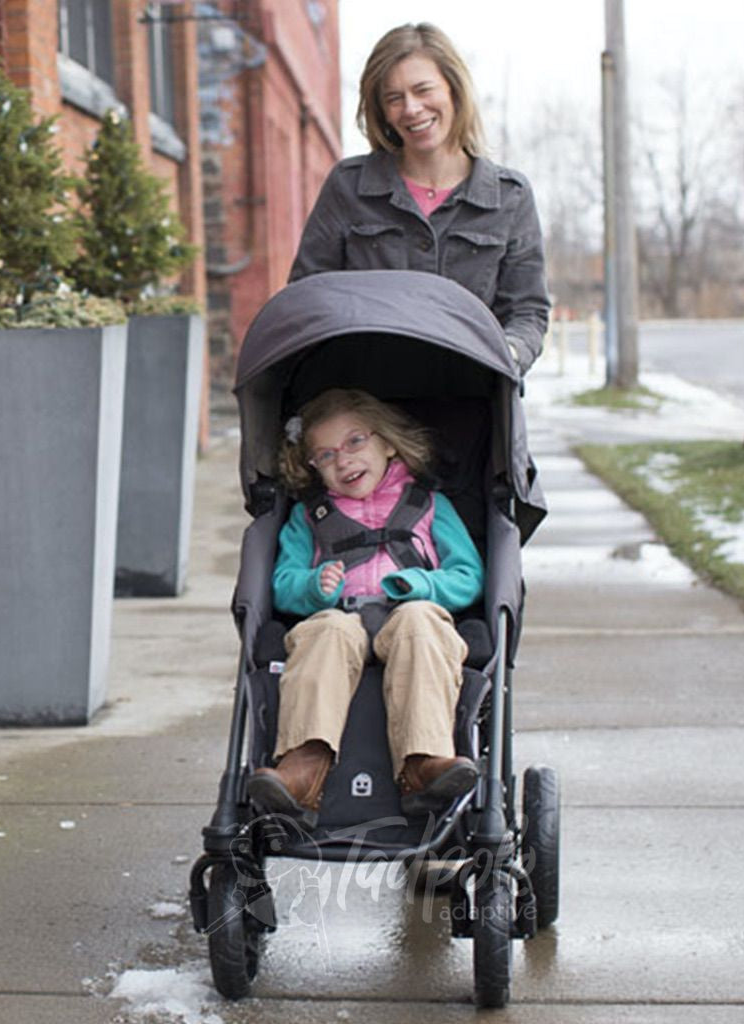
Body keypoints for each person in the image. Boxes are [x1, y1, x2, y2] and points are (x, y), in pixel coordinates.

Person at [246, 388, 484, 828]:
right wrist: (313, 586)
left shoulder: (429, 506)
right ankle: (303, 769)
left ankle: (425, 763)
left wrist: (422, 584)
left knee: (419, 621)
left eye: (356, 442)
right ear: (313, 465)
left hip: (409, 616)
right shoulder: (309, 517)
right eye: (326, 454)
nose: (344, 460)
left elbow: (468, 575)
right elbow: (282, 584)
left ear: (387, 442)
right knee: (327, 630)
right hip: (341, 619)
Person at [288, 22, 550, 375]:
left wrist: (505, 356)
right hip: (368, 396)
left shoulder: (509, 197)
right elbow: (309, 294)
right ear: (381, 111)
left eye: (423, 89)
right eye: (393, 98)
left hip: (472, 394)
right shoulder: (348, 187)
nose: (411, 108)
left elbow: (527, 311)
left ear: (454, 91)